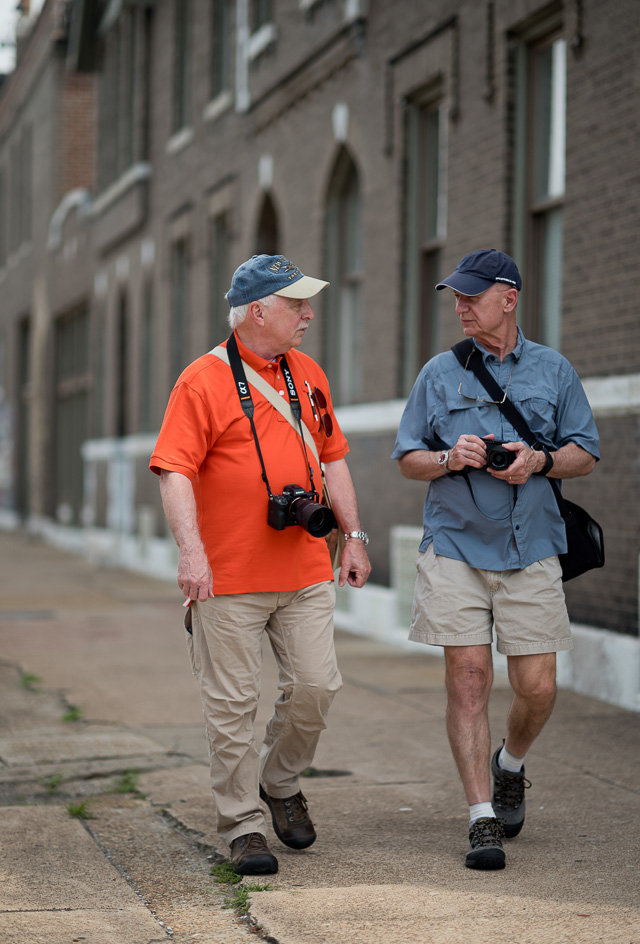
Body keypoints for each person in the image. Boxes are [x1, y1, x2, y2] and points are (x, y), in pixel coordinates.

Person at [150, 253, 371, 875]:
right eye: (295, 304)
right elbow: (174, 471)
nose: (307, 314)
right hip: (228, 577)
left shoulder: (309, 373)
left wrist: (352, 535)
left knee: (316, 687)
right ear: (256, 312)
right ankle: (242, 824)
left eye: (307, 303)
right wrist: (191, 554)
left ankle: (279, 783)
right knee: (232, 708)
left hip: (304, 570)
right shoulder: (202, 380)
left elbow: (333, 460)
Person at [392, 249, 599, 871]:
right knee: (470, 679)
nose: (461, 306)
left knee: (537, 687)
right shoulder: (438, 374)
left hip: (531, 545)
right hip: (454, 545)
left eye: (473, 296)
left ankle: (509, 763)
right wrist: (449, 458)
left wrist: (538, 460)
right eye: (455, 296)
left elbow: (585, 451)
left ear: (508, 298)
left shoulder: (553, 370)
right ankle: (482, 818)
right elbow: (407, 459)